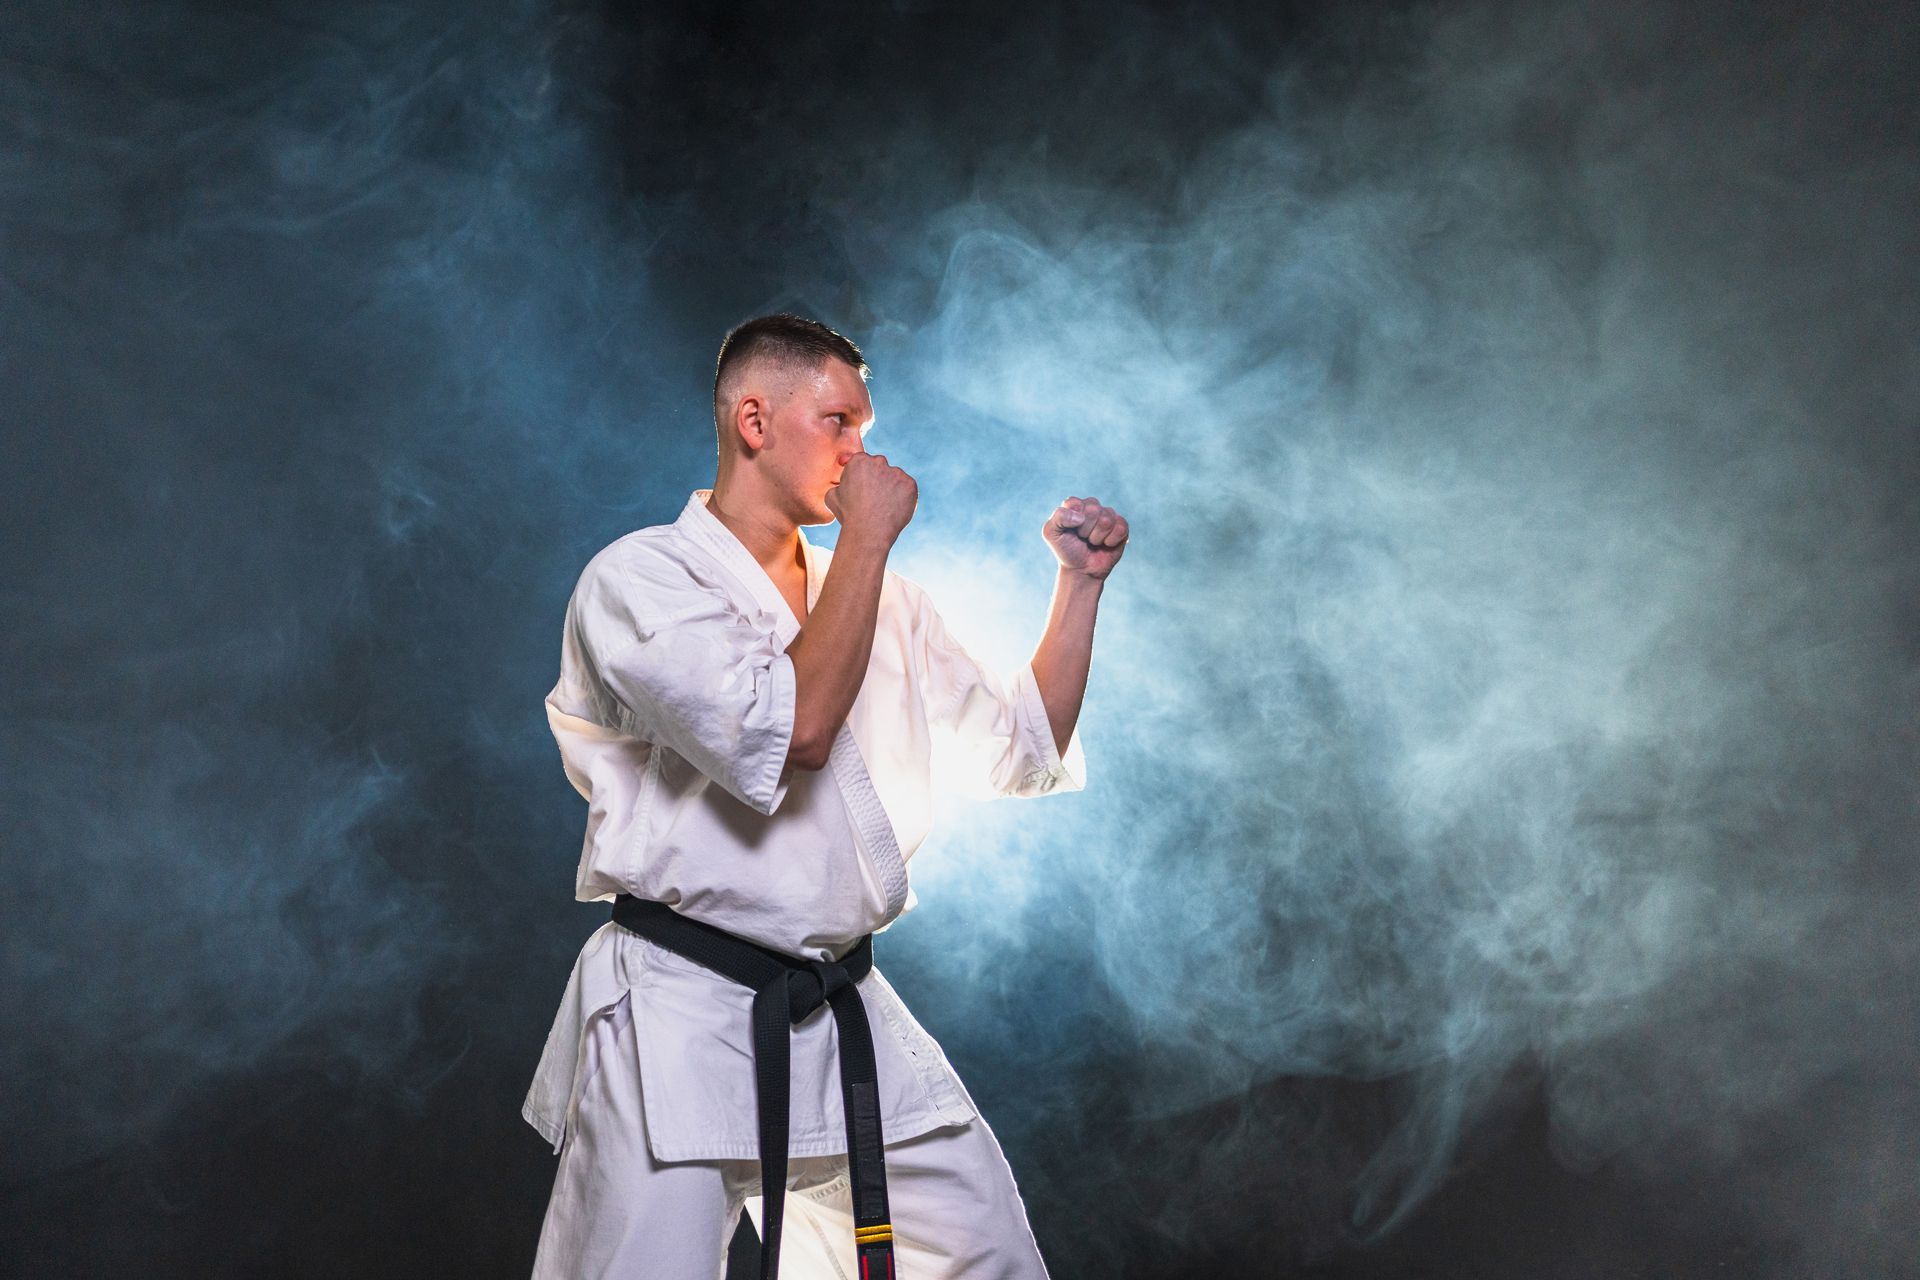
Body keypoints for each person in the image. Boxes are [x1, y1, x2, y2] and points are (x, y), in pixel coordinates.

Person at [522, 313, 1129, 1279]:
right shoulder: (639, 582)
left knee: (990, 1256)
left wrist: (1080, 588)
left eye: (865, 426)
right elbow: (793, 734)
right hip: (677, 1013)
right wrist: (870, 544)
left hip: (836, 1004)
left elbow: (1024, 747)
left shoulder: (880, 598)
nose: (862, 452)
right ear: (754, 421)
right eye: (840, 421)